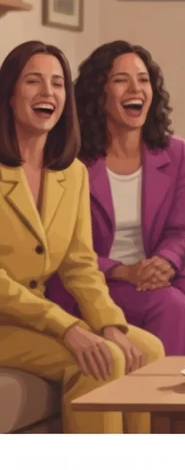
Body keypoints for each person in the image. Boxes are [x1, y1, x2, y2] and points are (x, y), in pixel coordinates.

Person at [0, 41, 164, 434]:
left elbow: (79, 265)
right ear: (8, 94)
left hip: (33, 319)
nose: (47, 94)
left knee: (148, 350)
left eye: (57, 84)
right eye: (33, 82)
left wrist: (109, 323)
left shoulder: (70, 172)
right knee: (97, 360)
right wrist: (67, 327)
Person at [46, 41, 185, 356]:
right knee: (170, 304)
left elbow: (180, 231)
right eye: (121, 80)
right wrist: (123, 271)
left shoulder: (175, 152)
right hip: (94, 281)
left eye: (143, 80)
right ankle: (157, 404)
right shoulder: (70, 158)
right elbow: (64, 246)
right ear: (98, 92)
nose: (136, 88)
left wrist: (164, 263)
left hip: (153, 273)